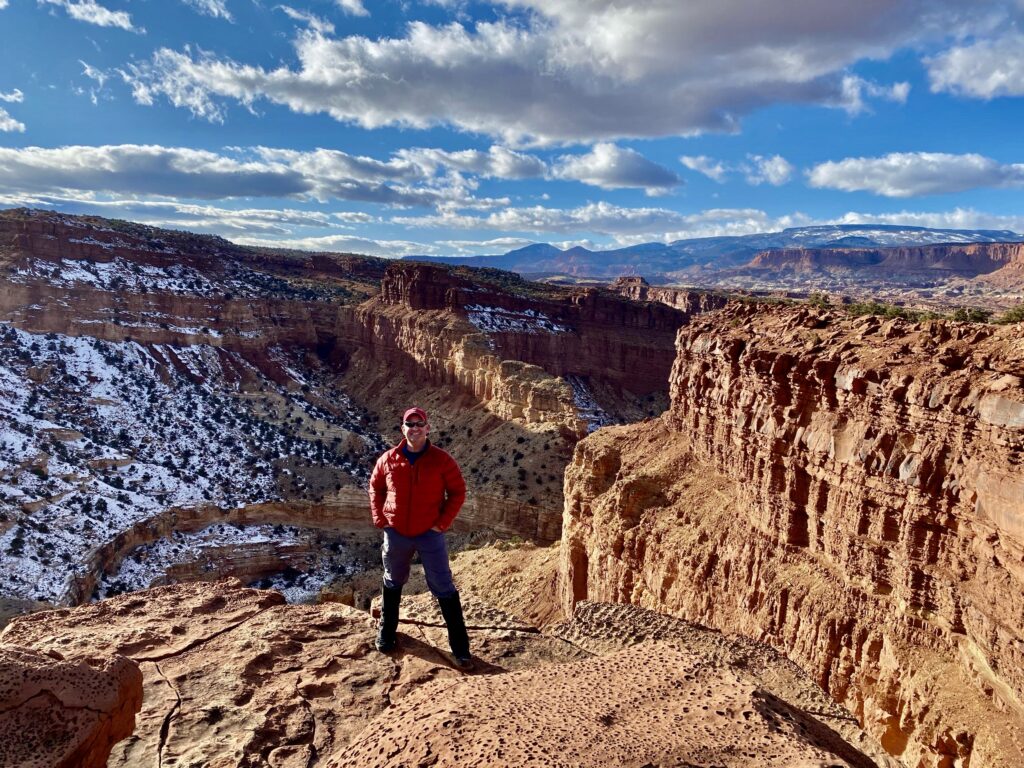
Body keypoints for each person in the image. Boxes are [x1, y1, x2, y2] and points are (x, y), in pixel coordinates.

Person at [368, 406, 472, 668]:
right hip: (396, 533)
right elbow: (375, 488)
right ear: (403, 429)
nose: (414, 428)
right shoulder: (389, 459)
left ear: (427, 428)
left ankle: (460, 649)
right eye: (409, 424)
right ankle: (386, 634)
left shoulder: (442, 460)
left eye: (419, 423)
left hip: (430, 534)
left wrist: (442, 524)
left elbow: (458, 493)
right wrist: (381, 520)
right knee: (393, 582)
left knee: (444, 587)